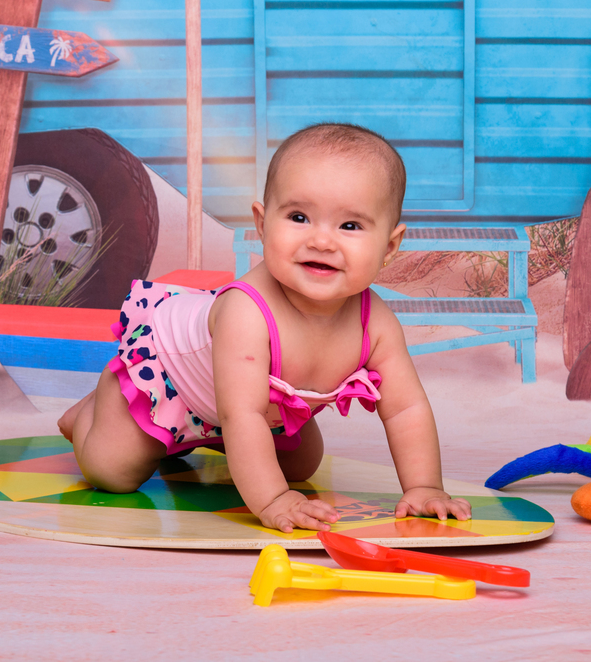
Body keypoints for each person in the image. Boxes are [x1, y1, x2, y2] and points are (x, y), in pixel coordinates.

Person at [58, 122, 471, 533]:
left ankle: (207, 443)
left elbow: (405, 408)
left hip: (249, 411)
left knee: (302, 465)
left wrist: (423, 486)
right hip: (172, 382)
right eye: (299, 216)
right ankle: (92, 410)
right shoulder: (246, 311)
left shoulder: (375, 322)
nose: (322, 241)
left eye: (350, 226)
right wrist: (271, 499)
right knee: (111, 472)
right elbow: (241, 413)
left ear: (390, 246)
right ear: (262, 223)